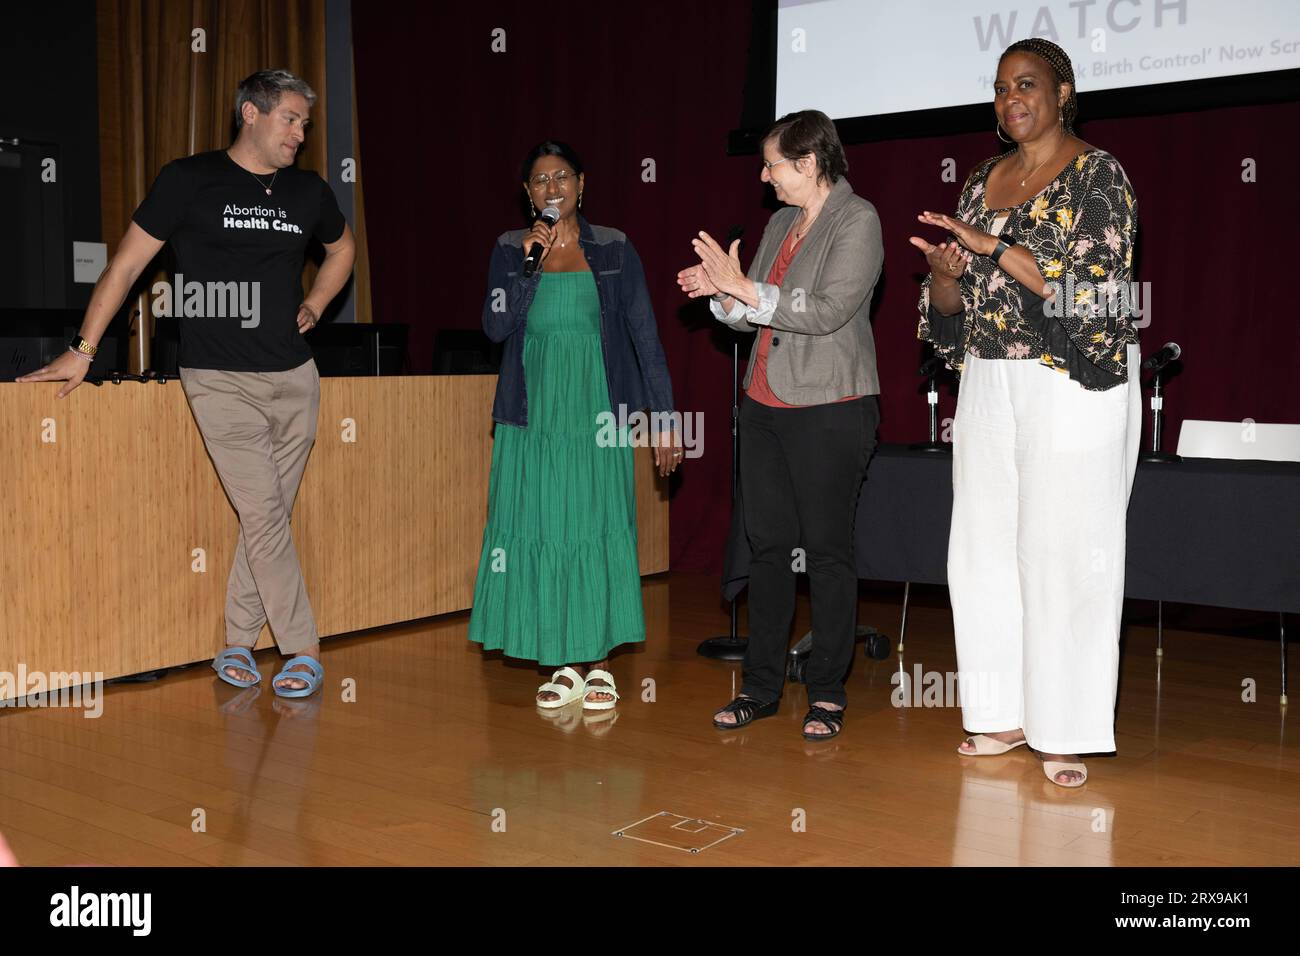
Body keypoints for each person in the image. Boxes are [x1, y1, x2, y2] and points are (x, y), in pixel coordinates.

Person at [19, 69, 356, 698]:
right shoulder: (188, 180)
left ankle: (235, 641)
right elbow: (125, 266)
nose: (301, 133)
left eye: (306, 124)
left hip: (295, 378)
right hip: (219, 378)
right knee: (262, 512)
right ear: (250, 114)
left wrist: (315, 301)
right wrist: (83, 349)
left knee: (269, 518)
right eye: (291, 118)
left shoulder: (308, 192)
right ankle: (304, 648)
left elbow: (343, 249)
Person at [910, 38, 1141, 786]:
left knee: (1063, 554)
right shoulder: (982, 179)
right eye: (1002, 86)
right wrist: (946, 276)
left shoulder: (1099, 175)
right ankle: (1002, 715)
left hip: (1069, 383)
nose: (1012, 97)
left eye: (1029, 83)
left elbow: (1096, 302)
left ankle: (1065, 727)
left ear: (1064, 91)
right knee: (981, 554)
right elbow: (949, 311)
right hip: (988, 377)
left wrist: (997, 247)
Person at [678, 109, 883, 740]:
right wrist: (723, 293)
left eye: (772, 164)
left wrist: (746, 288)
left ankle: (826, 691)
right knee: (766, 548)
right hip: (763, 405)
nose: (764, 177)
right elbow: (754, 314)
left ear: (808, 163)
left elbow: (825, 312)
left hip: (829, 407)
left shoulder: (860, 220)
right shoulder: (778, 222)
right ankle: (760, 687)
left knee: (825, 551)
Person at [470, 140, 681, 710]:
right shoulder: (511, 250)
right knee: (541, 524)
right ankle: (562, 662)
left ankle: (600, 660)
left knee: (594, 521)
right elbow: (494, 325)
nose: (551, 187)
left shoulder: (613, 248)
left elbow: (645, 336)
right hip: (531, 413)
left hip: (598, 411)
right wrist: (526, 271)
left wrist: (665, 419)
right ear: (527, 194)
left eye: (562, 176)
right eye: (539, 181)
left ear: (582, 184)